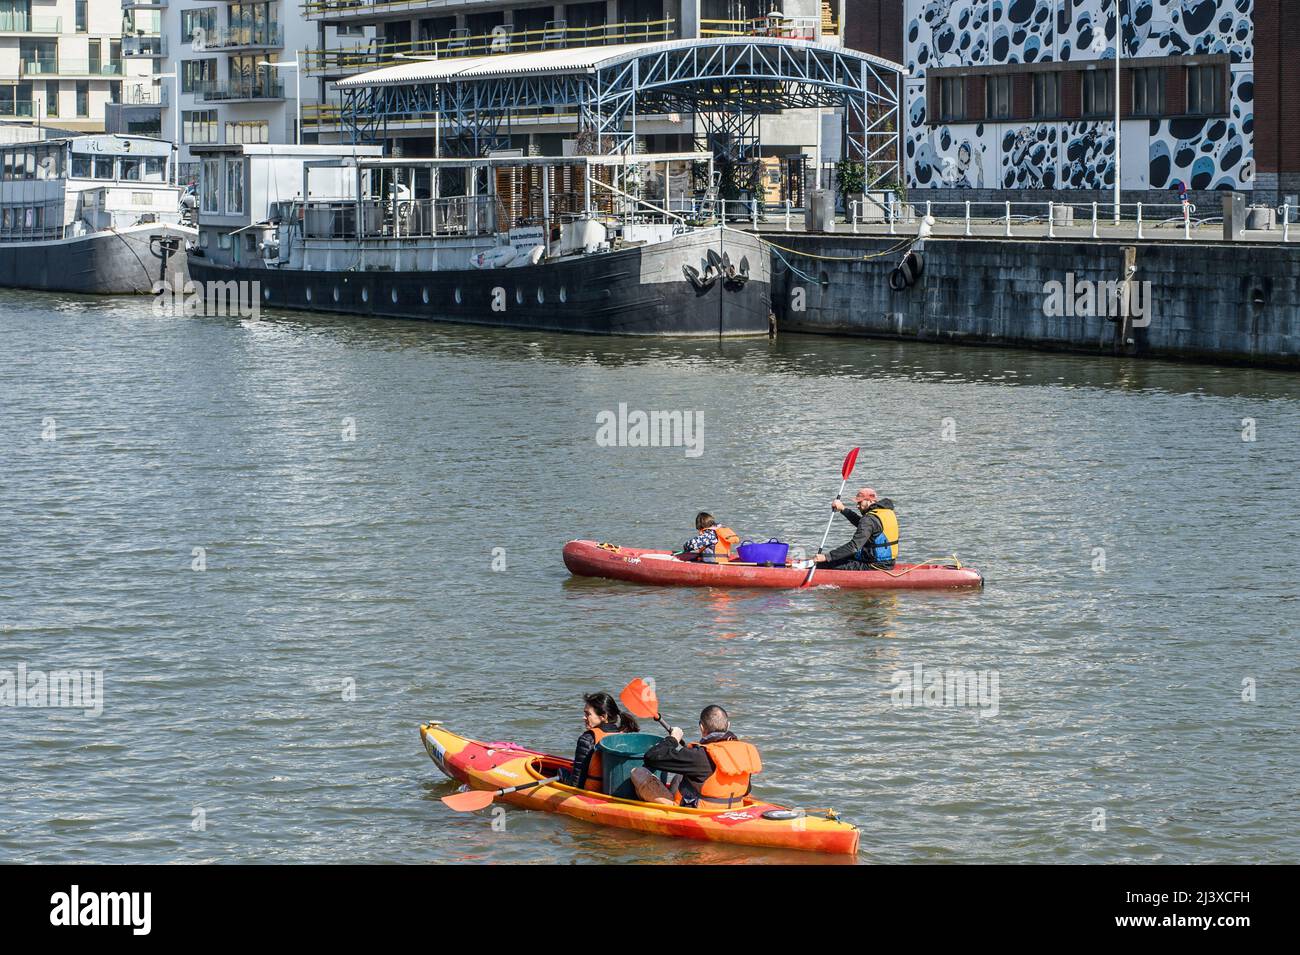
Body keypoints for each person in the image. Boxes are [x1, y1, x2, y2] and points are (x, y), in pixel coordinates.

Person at [629, 704, 761, 809]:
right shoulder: (744, 752)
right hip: (733, 808)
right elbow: (746, 789)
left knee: (638, 772)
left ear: (701, 727)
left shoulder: (699, 755)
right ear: (728, 726)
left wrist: (673, 738)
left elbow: (652, 757)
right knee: (679, 776)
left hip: (699, 811)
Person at [562, 692, 639, 792]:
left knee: (561, 771)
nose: (584, 717)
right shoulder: (623, 736)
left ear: (603, 717)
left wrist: (563, 775)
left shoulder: (588, 738)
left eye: (588, 714)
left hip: (593, 793)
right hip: (617, 792)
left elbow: (576, 784)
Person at [813, 486, 898, 571]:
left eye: (859, 502)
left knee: (826, 564)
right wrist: (843, 509)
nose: (857, 506)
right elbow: (864, 525)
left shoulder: (869, 519)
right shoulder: (887, 512)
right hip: (889, 562)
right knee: (840, 557)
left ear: (869, 501)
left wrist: (826, 557)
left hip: (874, 565)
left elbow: (853, 547)